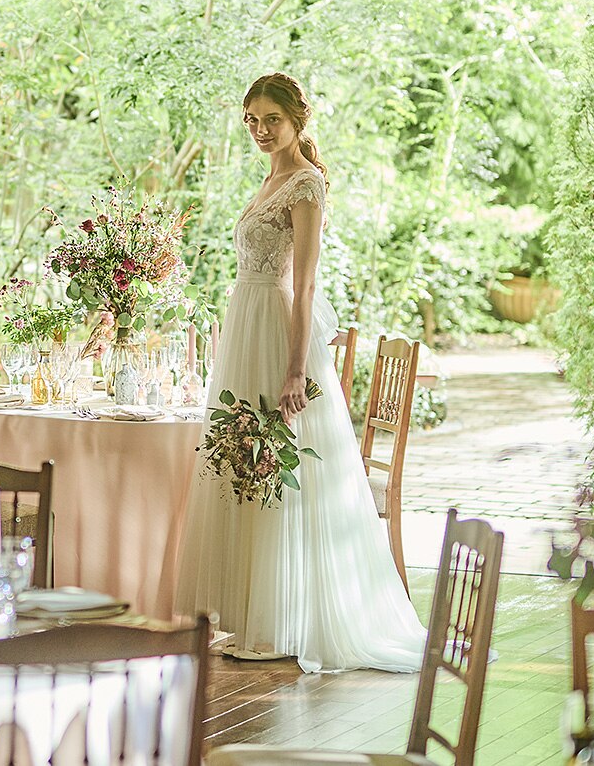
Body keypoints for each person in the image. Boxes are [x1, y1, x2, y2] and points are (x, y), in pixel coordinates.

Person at [174, 72, 426, 674]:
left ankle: (283, 620)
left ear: (296, 121)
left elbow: (306, 284)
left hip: (278, 332)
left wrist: (294, 371)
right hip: (246, 324)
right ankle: (248, 614)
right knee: (242, 462)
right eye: (252, 121)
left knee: (280, 465)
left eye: (272, 120)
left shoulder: (307, 184)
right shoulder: (269, 180)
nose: (261, 130)